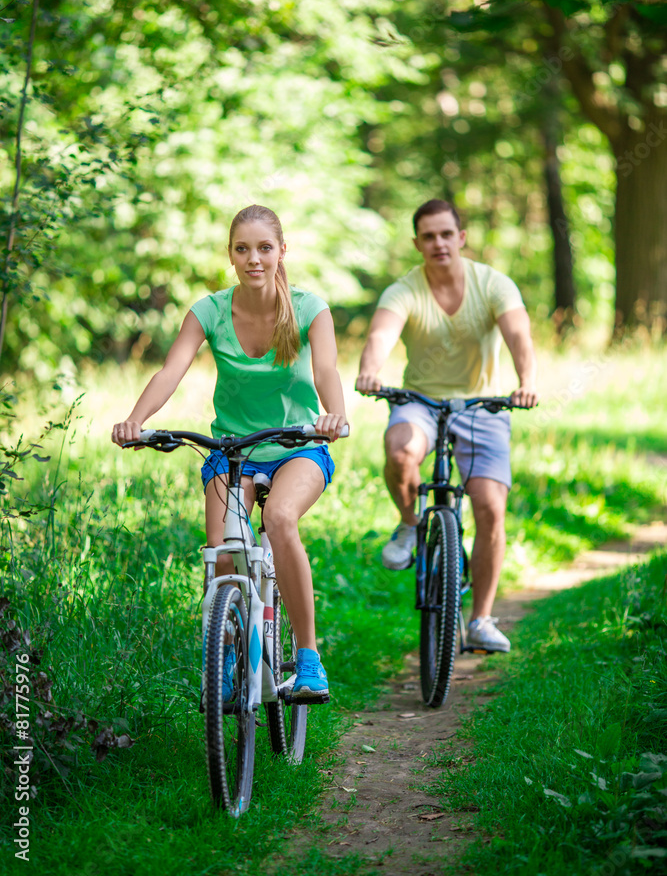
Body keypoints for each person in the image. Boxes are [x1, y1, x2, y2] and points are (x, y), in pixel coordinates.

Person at [112, 204, 348, 700]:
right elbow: (171, 370)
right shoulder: (210, 311)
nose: (254, 258)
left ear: (282, 251)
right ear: (231, 255)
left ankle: (308, 659)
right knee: (222, 553)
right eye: (243, 249)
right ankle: (224, 656)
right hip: (232, 450)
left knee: (281, 519)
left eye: (264, 248)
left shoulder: (310, 309)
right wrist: (138, 420)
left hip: (297, 446)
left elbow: (326, 370)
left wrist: (334, 413)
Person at [356, 198, 537, 653]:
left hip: (485, 405)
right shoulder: (405, 289)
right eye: (428, 236)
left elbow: (518, 334)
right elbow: (381, 333)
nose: (438, 243)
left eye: (445, 234)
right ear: (417, 243)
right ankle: (410, 524)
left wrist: (527, 381)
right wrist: (370, 370)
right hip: (420, 401)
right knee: (400, 450)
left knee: (490, 507)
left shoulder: (493, 283)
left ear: (462, 237)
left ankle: (480, 620)